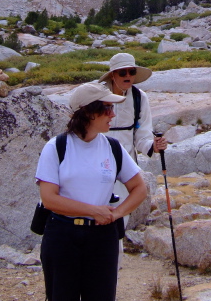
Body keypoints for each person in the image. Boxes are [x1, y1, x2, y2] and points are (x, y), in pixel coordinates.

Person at [36, 82, 148, 301]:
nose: (112, 115)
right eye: (106, 108)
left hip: (102, 237)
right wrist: (94, 211)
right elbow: (49, 199)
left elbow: (139, 188)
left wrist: (116, 214)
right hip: (62, 235)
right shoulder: (56, 147)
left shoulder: (113, 147)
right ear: (87, 111)